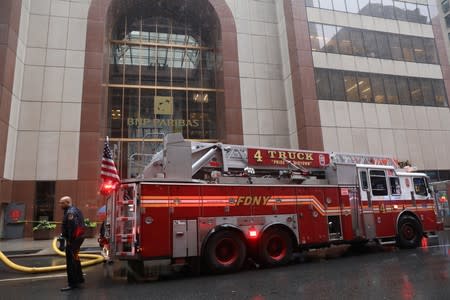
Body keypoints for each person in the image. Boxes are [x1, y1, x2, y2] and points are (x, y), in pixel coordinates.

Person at [59, 196, 86, 291]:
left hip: (74, 240)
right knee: (75, 259)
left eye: (62, 203)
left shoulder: (71, 212)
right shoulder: (75, 210)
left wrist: (70, 240)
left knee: (71, 262)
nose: (60, 205)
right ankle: (79, 279)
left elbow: (74, 228)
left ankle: (73, 283)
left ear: (67, 202)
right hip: (77, 240)